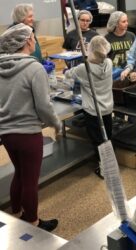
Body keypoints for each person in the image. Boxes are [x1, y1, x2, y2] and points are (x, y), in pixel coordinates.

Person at [0, 24, 61, 232]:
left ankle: (15, 211)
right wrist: (56, 123)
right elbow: (44, 106)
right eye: (33, 37)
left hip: (6, 133)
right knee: (30, 181)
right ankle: (33, 221)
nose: (34, 40)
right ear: (27, 42)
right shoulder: (34, 68)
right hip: (28, 134)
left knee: (19, 172)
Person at [65, 36, 113, 179]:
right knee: (107, 137)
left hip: (93, 111)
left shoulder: (83, 68)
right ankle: (110, 163)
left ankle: (103, 168)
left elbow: (68, 74)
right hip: (107, 107)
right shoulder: (109, 63)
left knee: (97, 140)